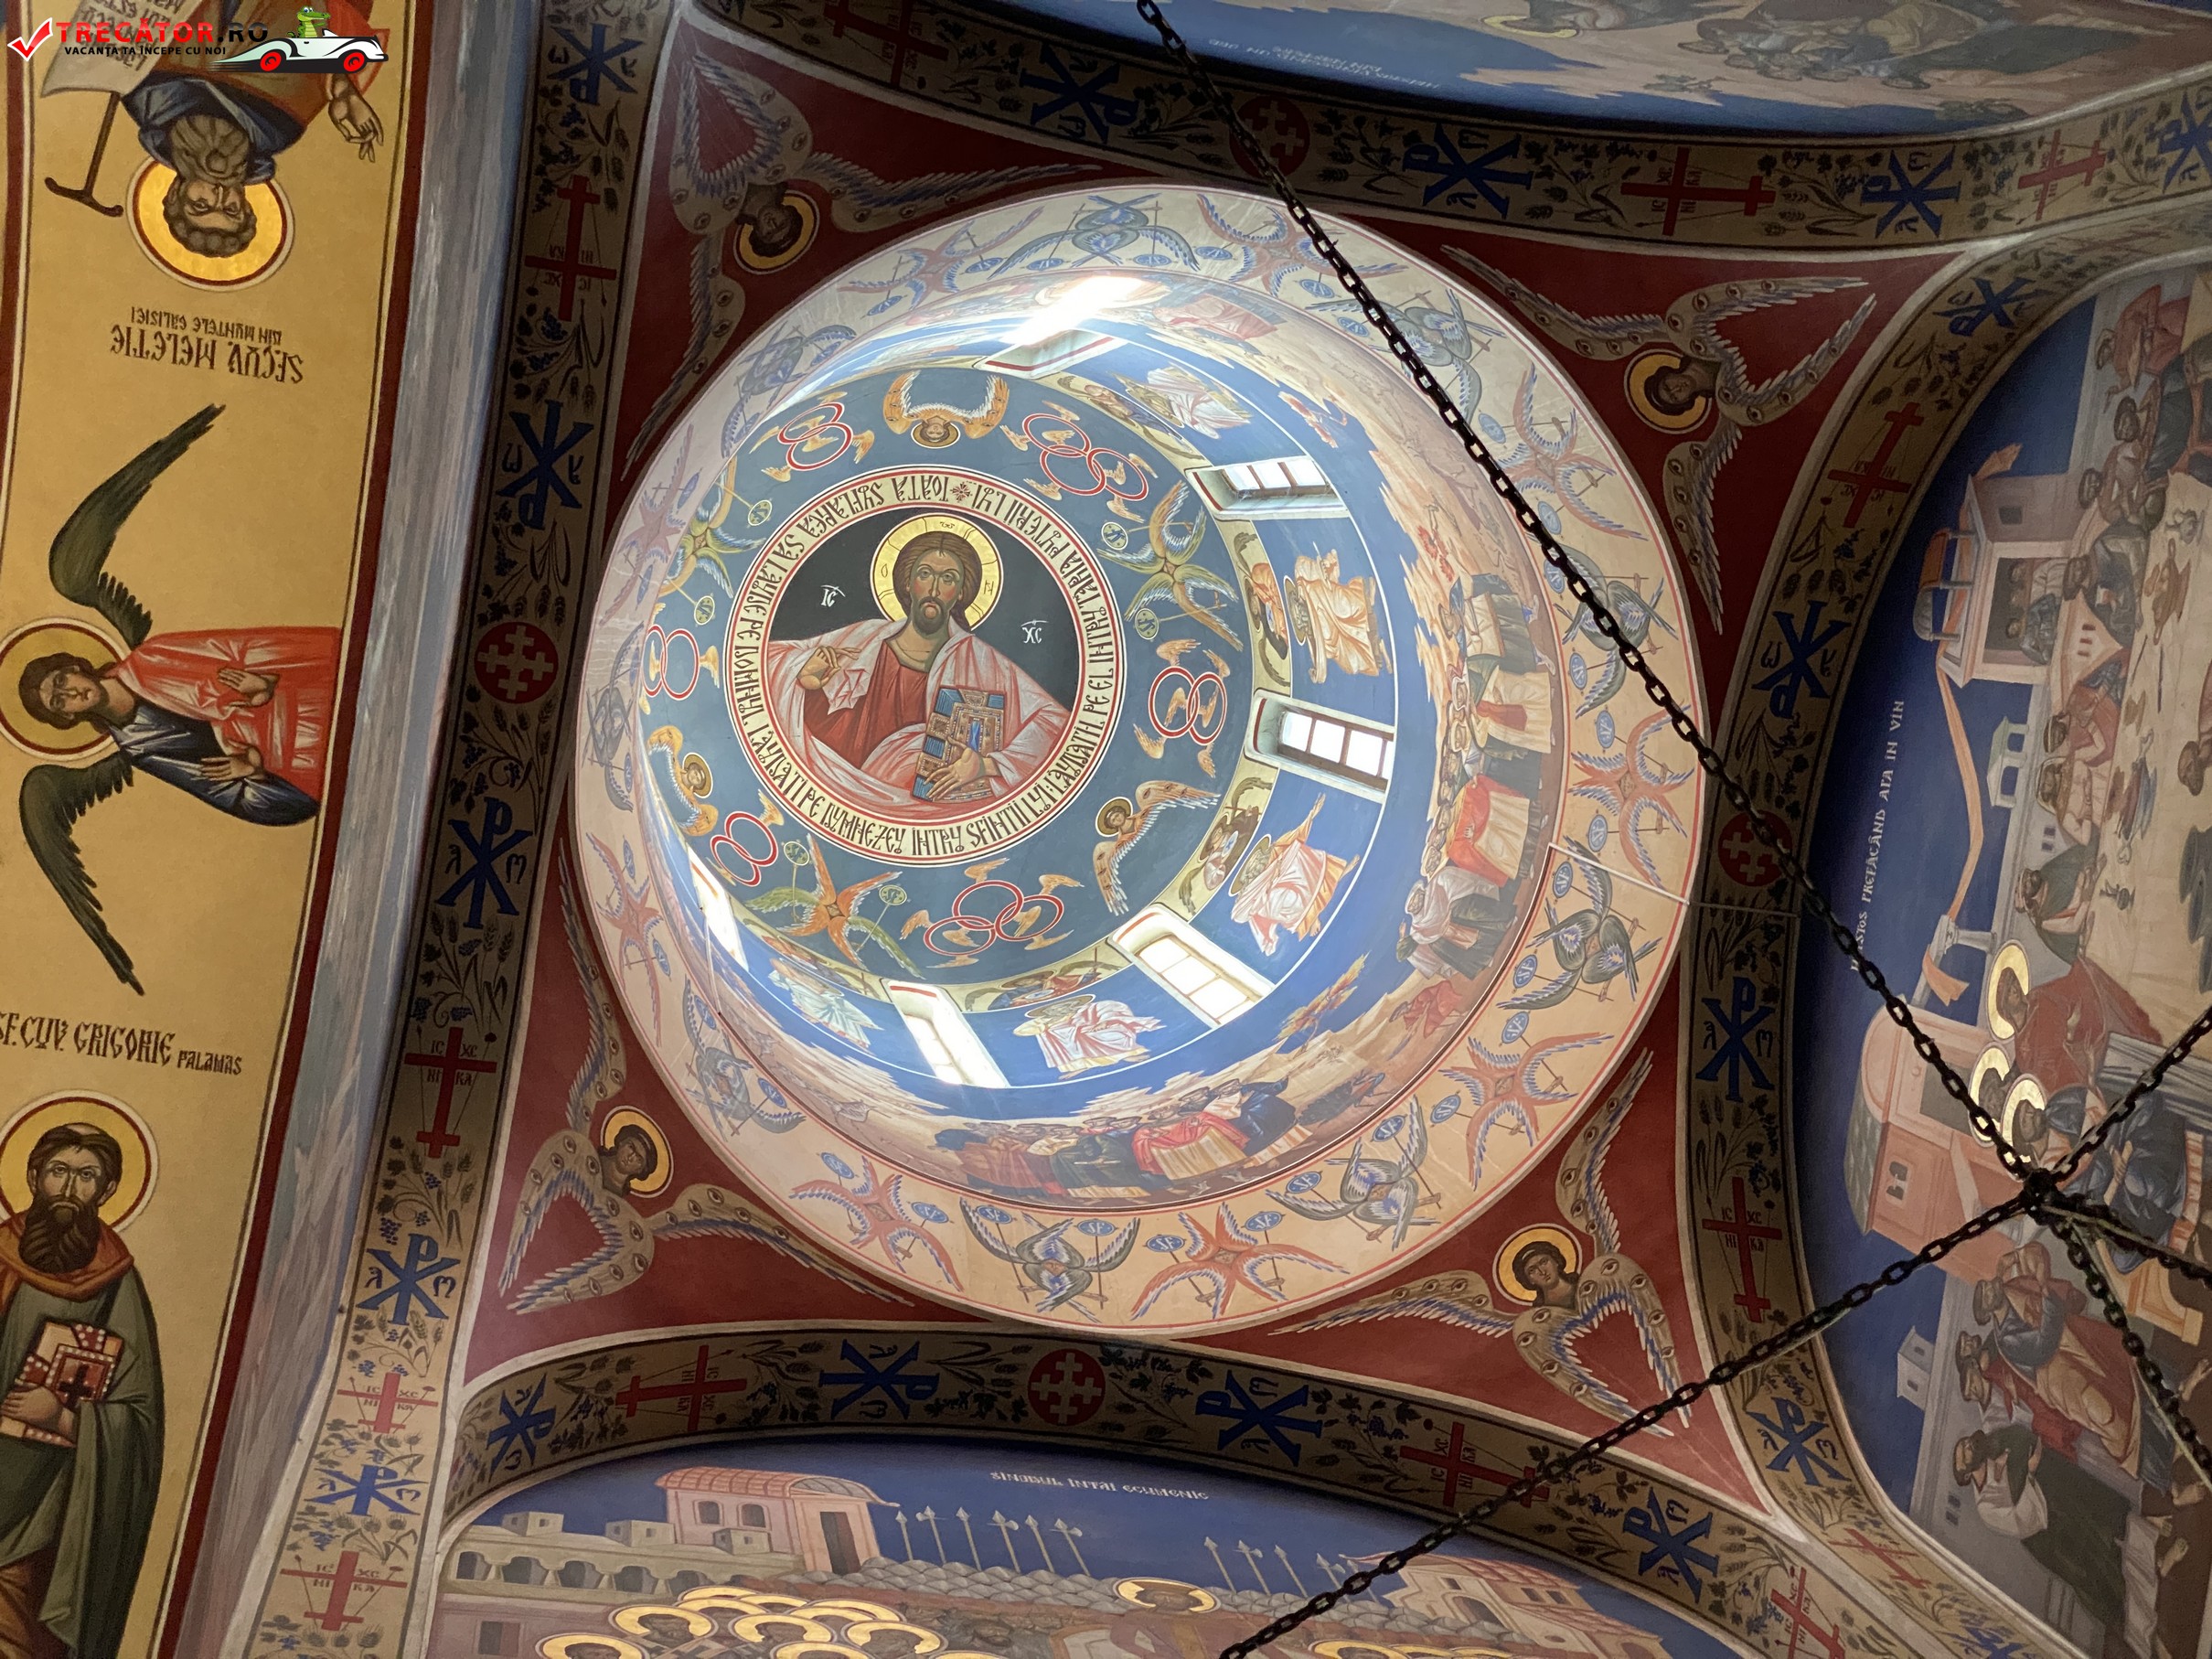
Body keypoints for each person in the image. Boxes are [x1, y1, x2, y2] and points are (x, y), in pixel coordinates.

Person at [762, 528, 1068, 818]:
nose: (934, 589)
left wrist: (987, 765)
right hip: (830, 793)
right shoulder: (863, 637)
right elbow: (762, 658)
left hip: (918, 812)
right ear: (907, 583)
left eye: (948, 579)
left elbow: (1055, 722)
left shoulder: (982, 661)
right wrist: (799, 673)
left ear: (961, 593)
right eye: (925, 574)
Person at [0, 1125, 163, 1659]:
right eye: (59, 1171)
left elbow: (138, 1415)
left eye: (87, 1176)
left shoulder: (115, 1282)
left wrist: (64, 1418)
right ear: (33, 1177)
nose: (70, 1188)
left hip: (48, 1502)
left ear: (108, 1189)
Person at [122, 0, 383, 259]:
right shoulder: (279, 127)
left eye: (201, 204)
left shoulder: (141, 95)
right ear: (244, 202)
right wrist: (342, 87)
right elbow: (312, 41)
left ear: (175, 193)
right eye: (231, 209)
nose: (220, 195)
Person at [20, 628, 341, 823]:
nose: (70, 693)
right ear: (68, 717)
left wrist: (264, 681)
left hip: (312, 697)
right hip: (297, 760)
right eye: (59, 702)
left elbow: (251, 649)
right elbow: (233, 796)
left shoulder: (155, 655)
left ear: (74, 668)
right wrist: (252, 770)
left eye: (61, 681)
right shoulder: (140, 746)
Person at [1953, 1425, 2141, 1617]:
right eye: (1964, 1453)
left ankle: (2137, 1551)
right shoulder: (1986, 1507)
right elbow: (2021, 1521)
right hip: (2045, 1535)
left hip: (2051, 1500)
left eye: (1965, 1443)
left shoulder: (1991, 1455)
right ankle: (2129, 1606)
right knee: (2090, 1567)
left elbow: (2017, 1444)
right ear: (1966, 1474)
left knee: (2100, 1525)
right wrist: (2029, 1472)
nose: (1969, 1445)